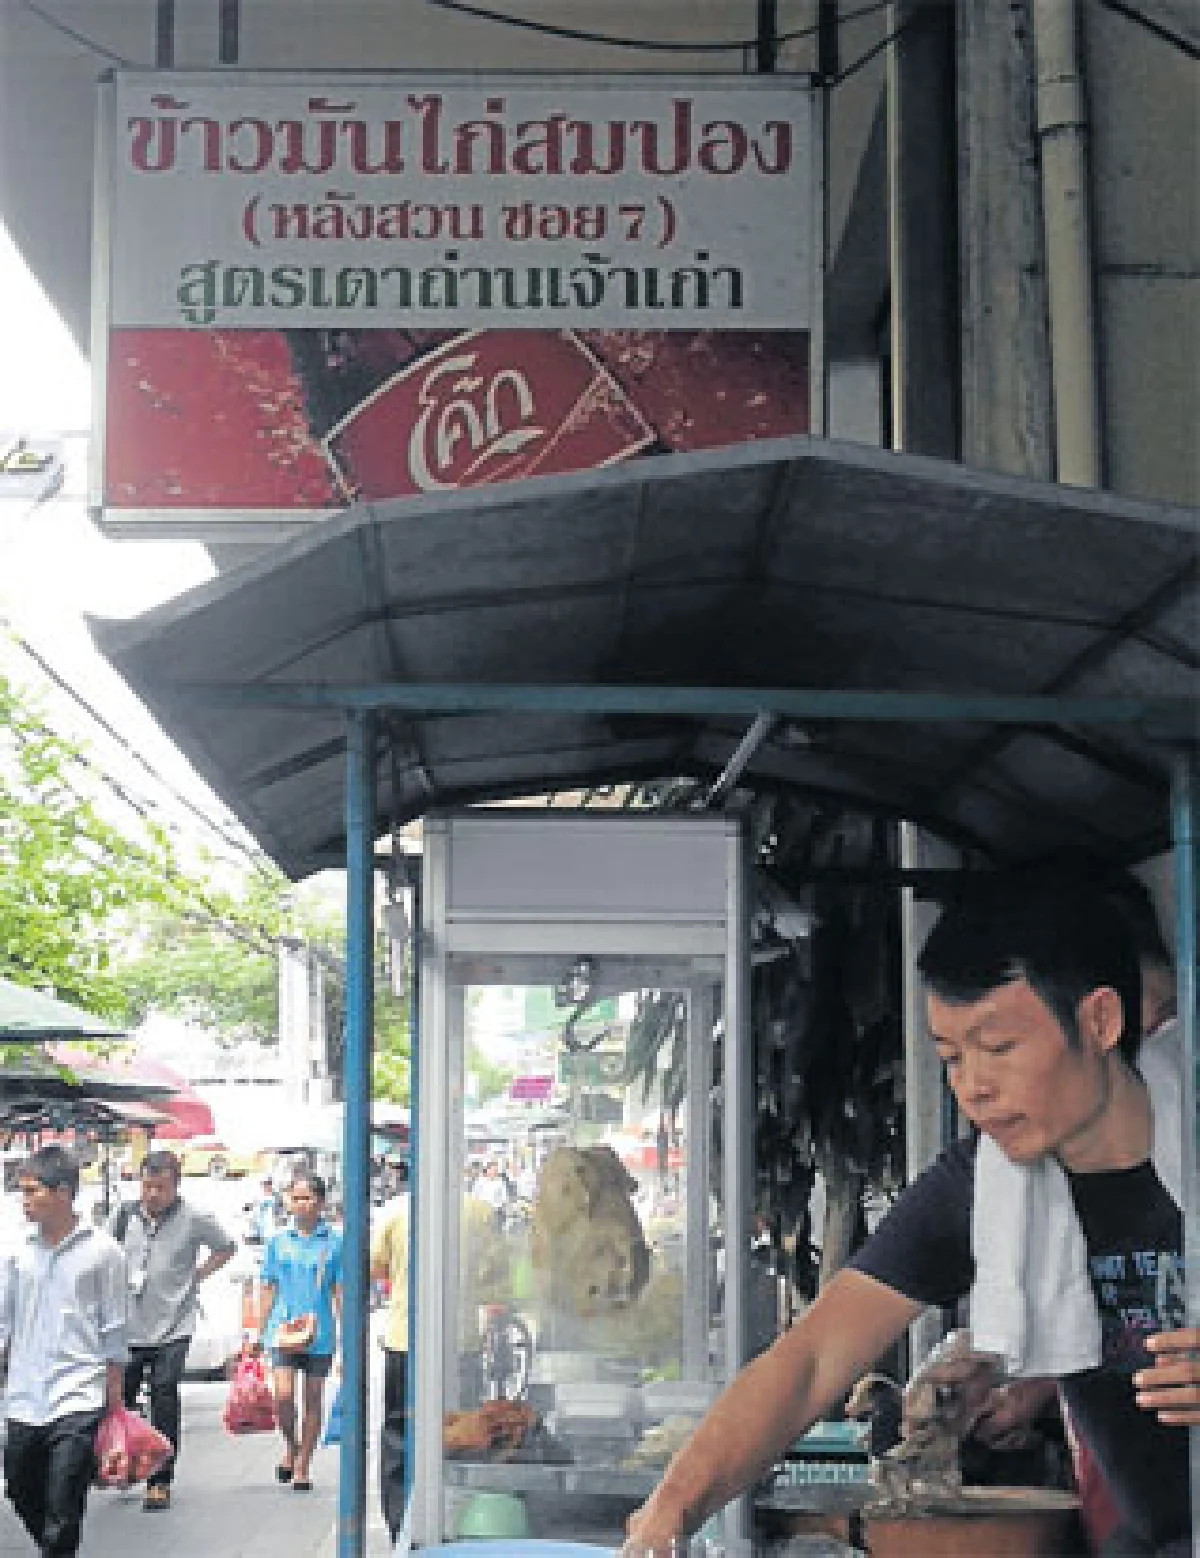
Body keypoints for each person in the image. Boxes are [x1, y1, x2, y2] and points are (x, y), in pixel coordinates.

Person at [625, 874, 1193, 1557]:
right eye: (951, 1057)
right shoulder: (986, 1186)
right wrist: (670, 1509)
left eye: (999, 1048)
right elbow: (810, 1359)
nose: (973, 1087)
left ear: (1100, 1022)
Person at [0, 1144, 127, 1556]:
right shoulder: (16, 1253)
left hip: (78, 1394)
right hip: (24, 1397)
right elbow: (3, 1322)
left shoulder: (104, 1252)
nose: (24, 1201)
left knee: (64, 1503)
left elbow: (114, 1327)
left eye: (32, 1191)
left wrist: (114, 1398)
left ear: (63, 1193)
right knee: (19, 1488)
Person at [109, 1147, 236, 1511]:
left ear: (176, 1186)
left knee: (164, 1393)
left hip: (174, 1324)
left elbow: (226, 1247)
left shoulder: (195, 1218)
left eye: (160, 1188)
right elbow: (104, 1254)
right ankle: (128, 1461)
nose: (152, 1194)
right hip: (130, 1326)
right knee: (123, 1398)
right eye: (147, 1186)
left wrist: (199, 1275)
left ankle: (160, 1480)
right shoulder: (123, 1216)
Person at [259, 1171, 342, 1492]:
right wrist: (258, 1332)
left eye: (307, 1198)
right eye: (295, 1198)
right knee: (282, 1397)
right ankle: (292, 1445)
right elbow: (268, 1286)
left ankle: (304, 1463)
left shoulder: (335, 1243)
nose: (301, 1204)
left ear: (320, 1202)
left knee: (313, 1398)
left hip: (319, 1333)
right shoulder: (278, 1242)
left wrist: (348, 1341)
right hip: (282, 1330)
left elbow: (340, 1291)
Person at [370, 1161, 411, 1543]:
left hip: (403, 1339)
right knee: (457, 1430)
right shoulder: (477, 1209)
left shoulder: (394, 1212)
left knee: (398, 1432)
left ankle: (400, 1525)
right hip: (462, 1341)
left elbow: (374, 1267)